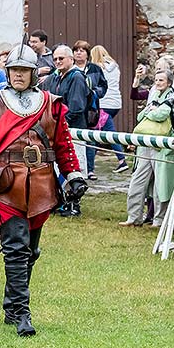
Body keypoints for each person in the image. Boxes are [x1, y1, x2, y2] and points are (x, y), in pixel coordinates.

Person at [0, 43, 87, 337]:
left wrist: (72, 174)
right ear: (8, 72)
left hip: (42, 184)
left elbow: (63, 143)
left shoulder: (50, 103)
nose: (18, 75)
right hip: (7, 183)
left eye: (24, 70)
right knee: (16, 248)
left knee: (30, 250)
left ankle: (10, 304)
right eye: (14, 70)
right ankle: (22, 312)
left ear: (33, 73)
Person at [121, 69, 174, 228]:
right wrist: (152, 110)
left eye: (161, 80)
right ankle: (134, 217)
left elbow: (162, 115)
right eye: (156, 80)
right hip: (145, 145)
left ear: (168, 82)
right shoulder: (153, 96)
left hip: (162, 146)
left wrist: (151, 111)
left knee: (161, 184)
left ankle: (159, 220)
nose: (158, 83)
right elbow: (141, 117)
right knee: (137, 180)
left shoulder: (172, 96)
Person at [42, 45, 89, 216]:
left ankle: (73, 203)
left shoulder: (76, 77)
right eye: (55, 59)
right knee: (55, 167)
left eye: (61, 58)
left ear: (70, 59)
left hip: (73, 129)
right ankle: (59, 200)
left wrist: (60, 125)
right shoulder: (55, 78)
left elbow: (76, 107)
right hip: (55, 130)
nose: (58, 61)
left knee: (74, 167)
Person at [89, 45, 128, 173]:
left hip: (104, 103)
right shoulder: (115, 66)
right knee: (98, 134)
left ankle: (122, 160)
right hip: (116, 103)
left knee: (109, 134)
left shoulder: (97, 68)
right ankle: (90, 166)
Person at [72, 40, 108, 180]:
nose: (78, 53)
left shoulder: (94, 69)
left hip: (91, 109)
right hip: (76, 109)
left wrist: (94, 93)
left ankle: (91, 169)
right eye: (76, 50)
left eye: (82, 50)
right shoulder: (71, 70)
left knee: (90, 139)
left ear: (87, 54)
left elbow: (103, 86)